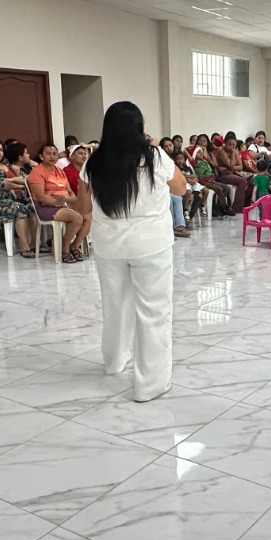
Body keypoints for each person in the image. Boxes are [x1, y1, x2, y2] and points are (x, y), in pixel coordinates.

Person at [86, 102, 186, 403]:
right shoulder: (154, 157)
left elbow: (84, 203)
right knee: (153, 312)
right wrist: (153, 146)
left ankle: (114, 361)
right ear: (139, 128)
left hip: (108, 245)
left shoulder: (94, 161)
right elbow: (181, 188)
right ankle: (149, 384)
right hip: (150, 245)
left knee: (115, 305)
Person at [28, 142, 90, 263]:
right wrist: (59, 203)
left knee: (88, 216)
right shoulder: (37, 172)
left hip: (65, 204)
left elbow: (70, 192)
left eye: (54, 153)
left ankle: (75, 246)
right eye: (48, 153)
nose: (52, 156)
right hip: (46, 207)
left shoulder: (60, 171)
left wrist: (71, 201)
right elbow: (41, 196)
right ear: (41, 156)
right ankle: (64, 249)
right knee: (76, 218)